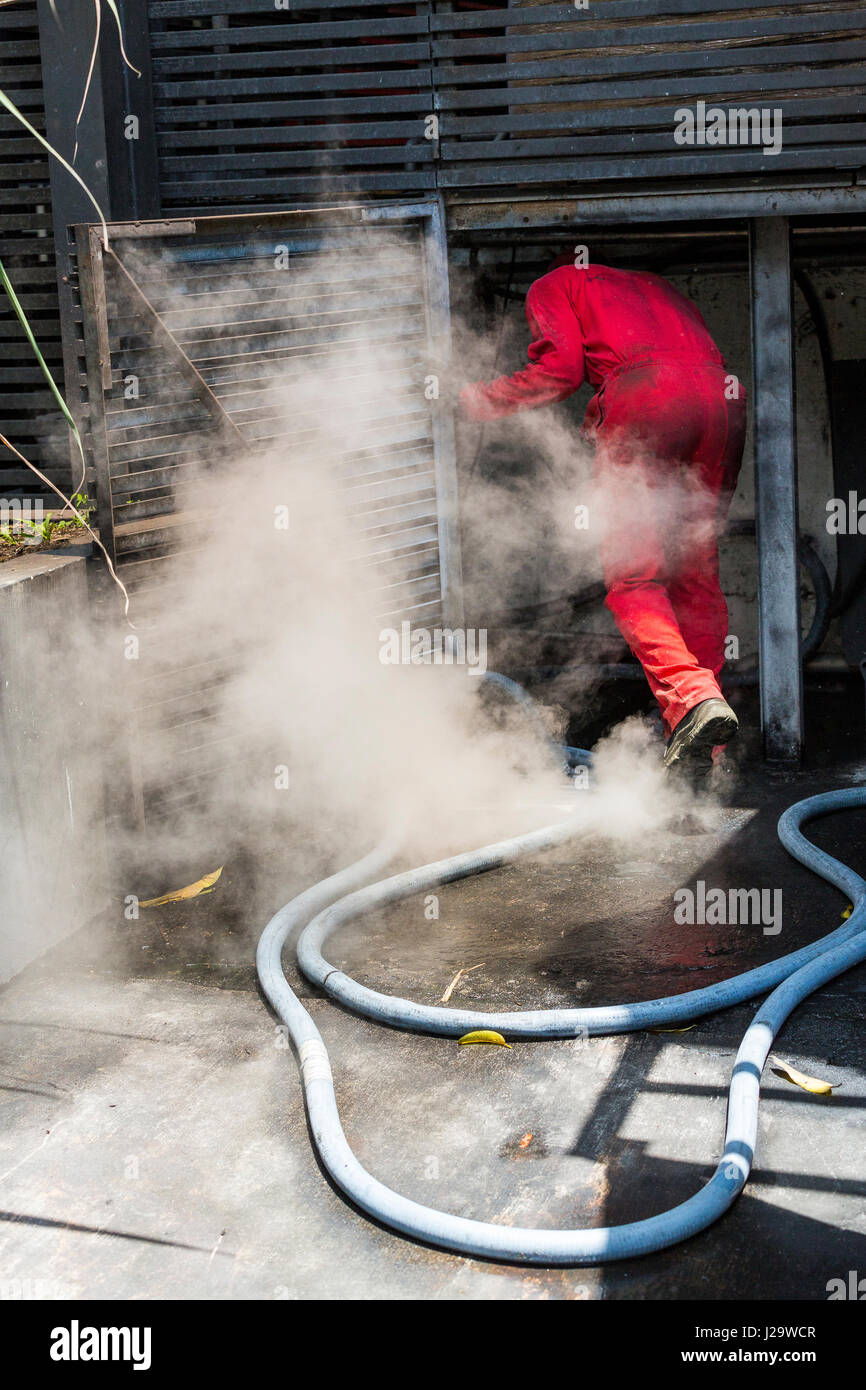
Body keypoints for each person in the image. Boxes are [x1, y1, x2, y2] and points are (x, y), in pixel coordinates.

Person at [458, 259, 747, 782]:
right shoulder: (661, 285)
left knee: (634, 577)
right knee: (697, 577)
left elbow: (560, 370)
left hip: (650, 399)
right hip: (723, 402)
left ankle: (694, 699)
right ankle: (705, 755)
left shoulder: (555, 285)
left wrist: (475, 400)